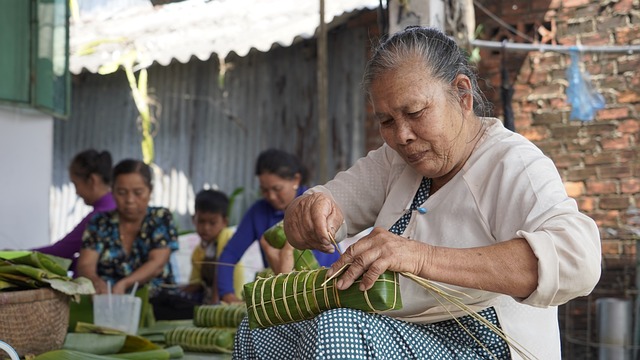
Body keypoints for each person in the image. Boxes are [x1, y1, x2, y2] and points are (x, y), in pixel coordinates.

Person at [233, 26, 601, 359]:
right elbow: (336, 200)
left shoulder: (511, 163)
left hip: (489, 344)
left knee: (340, 328)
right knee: (258, 330)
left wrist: (420, 257)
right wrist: (312, 209)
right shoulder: (397, 161)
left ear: (462, 95)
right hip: (401, 331)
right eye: (387, 121)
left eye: (416, 112)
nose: (402, 135)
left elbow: (577, 260)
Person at [217, 149, 340, 303]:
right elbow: (230, 254)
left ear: (296, 180)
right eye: (264, 190)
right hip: (284, 295)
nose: (271, 196)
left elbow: (325, 258)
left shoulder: (315, 205)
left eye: (277, 189)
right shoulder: (258, 212)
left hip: (329, 288)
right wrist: (227, 294)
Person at [77, 159, 178, 297]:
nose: (130, 200)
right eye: (122, 192)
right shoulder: (100, 222)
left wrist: (125, 283)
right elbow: (85, 264)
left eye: (138, 192)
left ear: (150, 191)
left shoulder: (160, 218)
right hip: (107, 303)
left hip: (158, 302)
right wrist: (95, 282)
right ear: (112, 191)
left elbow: (157, 263)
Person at [34, 149, 116, 275]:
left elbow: (61, 251)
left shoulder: (101, 215)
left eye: (76, 184)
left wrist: (13, 256)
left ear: (92, 180)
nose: (77, 192)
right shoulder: (112, 207)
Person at [181, 189, 245, 304]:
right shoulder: (198, 252)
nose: (206, 228)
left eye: (212, 223)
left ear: (224, 222)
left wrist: (214, 306)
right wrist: (177, 291)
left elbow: (220, 269)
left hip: (229, 303)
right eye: (201, 221)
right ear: (193, 220)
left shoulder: (226, 236)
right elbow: (195, 284)